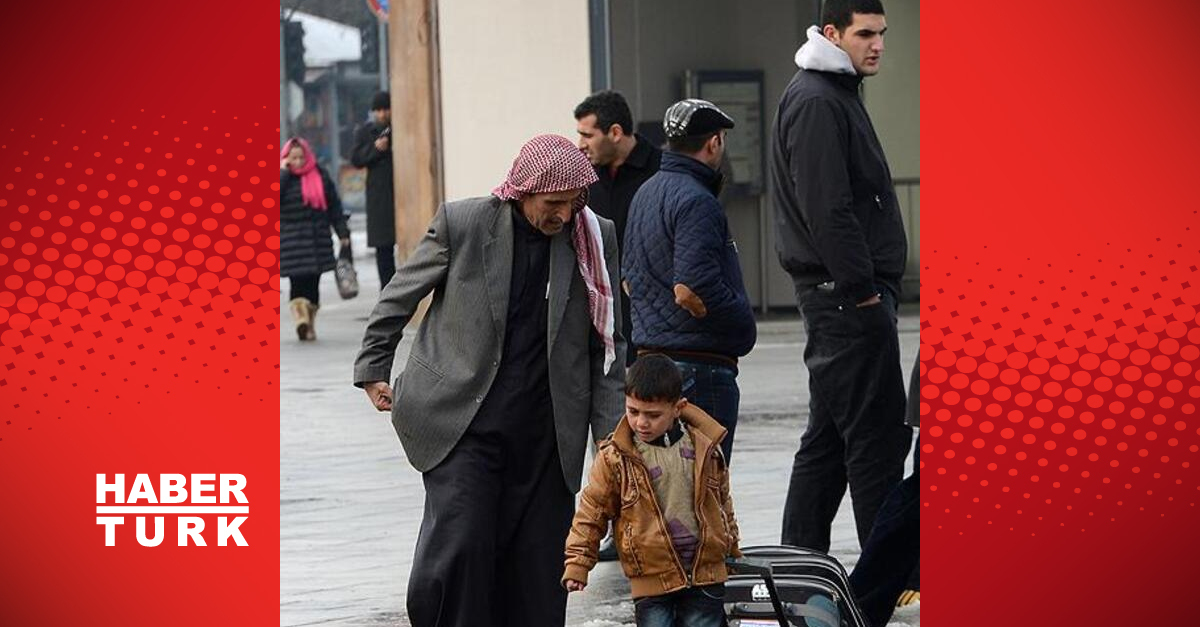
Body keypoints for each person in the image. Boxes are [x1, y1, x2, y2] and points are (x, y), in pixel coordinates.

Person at [352, 134, 626, 627]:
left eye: (571, 203)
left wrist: (611, 442)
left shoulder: (592, 236)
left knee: (539, 567)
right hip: (464, 423)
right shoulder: (465, 223)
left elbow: (606, 346)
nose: (563, 215)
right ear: (523, 191)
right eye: (552, 204)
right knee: (461, 545)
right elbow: (399, 297)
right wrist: (373, 367)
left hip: (547, 433)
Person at [771, 0, 912, 552]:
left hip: (842, 296)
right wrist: (863, 293)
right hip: (846, 297)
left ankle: (796, 564)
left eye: (882, 33)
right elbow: (828, 209)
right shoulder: (817, 100)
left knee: (828, 442)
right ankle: (890, 575)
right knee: (875, 442)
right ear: (832, 34)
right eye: (865, 34)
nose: (877, 44)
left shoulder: (834, 91)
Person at [623, 99, 757, 463]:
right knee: (704, 490)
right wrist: (743, 321)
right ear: (714, 142)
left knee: (662, 489)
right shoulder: (698, 201)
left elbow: (629, 283)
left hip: (653, 364)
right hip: (699, 368)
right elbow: (691, 289)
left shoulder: (646, 193)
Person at [564, 354, 740, 627]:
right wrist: (578, 563)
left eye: (653, 415)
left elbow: (722, 502)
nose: (641, 422)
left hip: (705, 574)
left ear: (678, 408)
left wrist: (732, 548)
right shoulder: (616, 458)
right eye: (633, 411)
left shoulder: (704, 448)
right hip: (651, 578)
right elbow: (592, 511)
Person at [575, 90, 663, 365]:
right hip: (598, 315)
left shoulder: (661, 172)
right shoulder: (584, 178)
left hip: (651, 319)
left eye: (588, 135)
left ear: (615, 132)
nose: (580, 145)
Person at [279, 137, 349, 341]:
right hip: (291, 242)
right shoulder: (282, 178)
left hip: (317, 240)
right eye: (293, 158)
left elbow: (334, 206)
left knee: (313, 284)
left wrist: (342, 232)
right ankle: (302, 320)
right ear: (286, 158)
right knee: (297, 283)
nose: (299, 162)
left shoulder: (320, 175)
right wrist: (284, 172)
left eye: (302, 157)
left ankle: (308, 322)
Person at [351, 91, 397, 287]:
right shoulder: (366, 133)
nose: (382, 114)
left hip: (398, 194)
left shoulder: (399, 129)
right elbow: (357, 159)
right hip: (379, 198)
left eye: (385, 109)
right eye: (378, 110)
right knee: (383, 250)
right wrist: (376, 149)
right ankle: (386, 290)